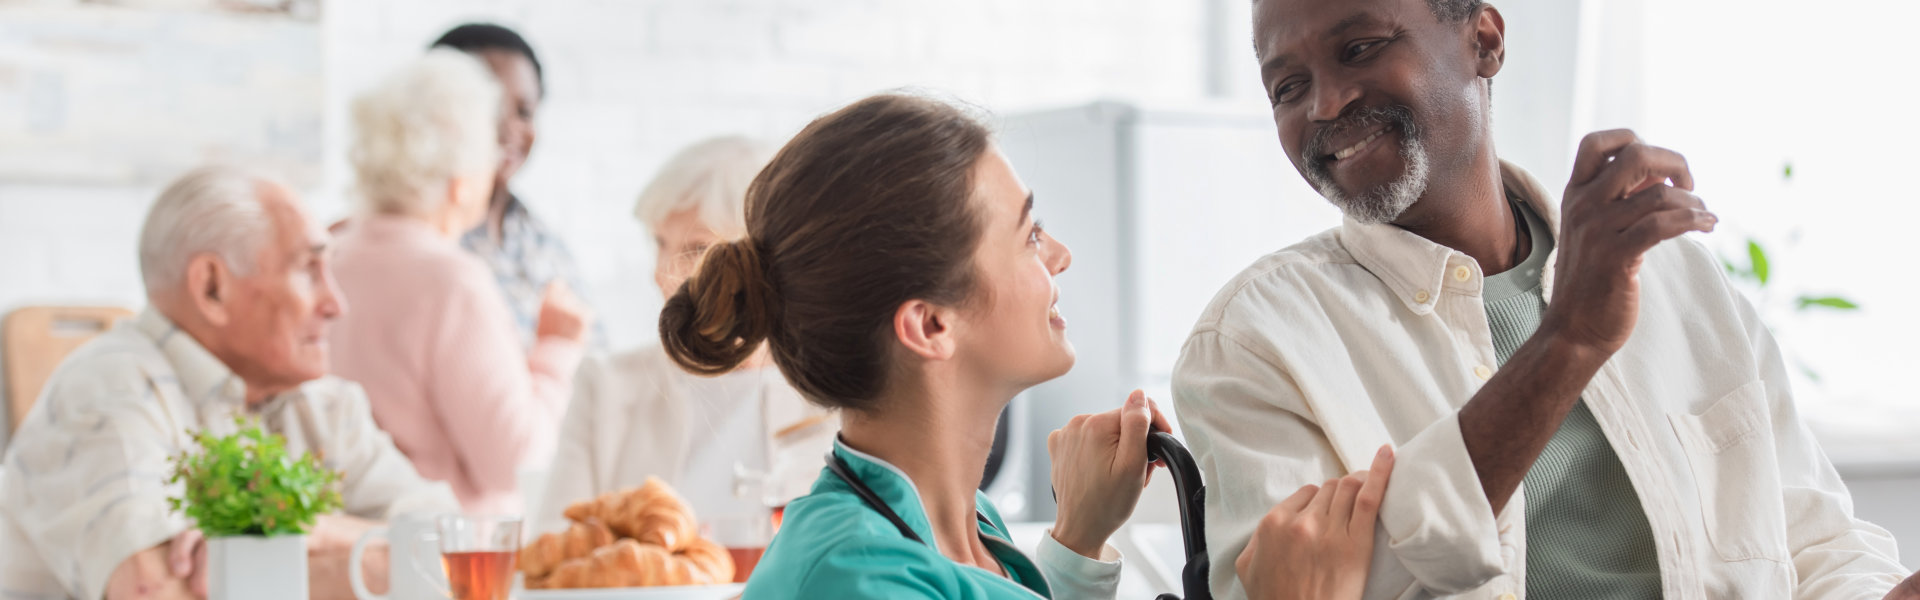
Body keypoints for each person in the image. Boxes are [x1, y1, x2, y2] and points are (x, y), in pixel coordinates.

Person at [1171, 0, 1920, 598]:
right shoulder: (1251, 343)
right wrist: (1569, 343)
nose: (1327, 103)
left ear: (1485, 42)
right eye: (1288, 87)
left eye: (1360, 48)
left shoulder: (1678, 279)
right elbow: (1298, 592)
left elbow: (1815, 542)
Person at [660, 93, 1391, 599]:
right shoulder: (857, 580)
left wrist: (1077, 541)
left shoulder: (960, 526)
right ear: (930, 326)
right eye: (1029, 234)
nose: (1062, 255)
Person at [0, 165, 461, 600]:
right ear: (211, 288)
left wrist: (310, 532)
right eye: (308, 270)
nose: (336, 303)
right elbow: (159, 592)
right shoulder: (107, 391)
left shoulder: (322, 404)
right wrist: (382, 563)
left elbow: (459, 556)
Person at [534, 136, 836, 536]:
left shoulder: (830, 398)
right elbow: (551, 553)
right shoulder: (605, 386)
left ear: (760, 260)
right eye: (661, 243)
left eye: (697, 249)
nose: (662, 274)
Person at [327, 50, 580, 515]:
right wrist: (555, 350)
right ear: (461, 182)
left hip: (349, 555)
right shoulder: (450, 281)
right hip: (442, 568)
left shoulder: (327, 256)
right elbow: (516, 464)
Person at [430, 23, 604, 352]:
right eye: (489, 107)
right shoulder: (404, 236)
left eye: (524, 111)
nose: (508, 127)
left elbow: (597, 357)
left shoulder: (543, 243)